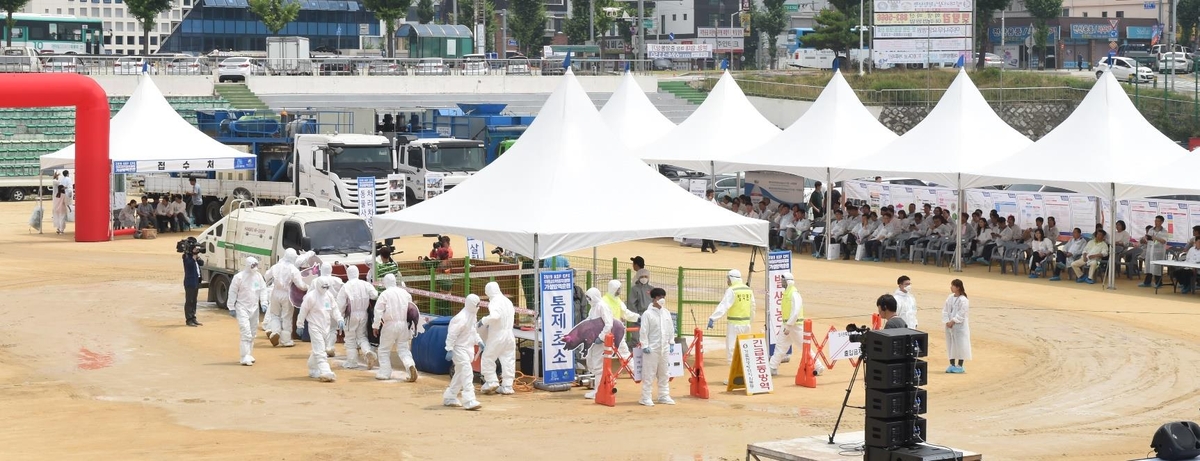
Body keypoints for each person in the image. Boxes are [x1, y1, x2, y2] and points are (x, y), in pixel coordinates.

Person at [767, 272, 816, 376]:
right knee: (780, 346)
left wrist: (789, 325)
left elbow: (796, 310)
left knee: (804, 347)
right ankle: (772, 367)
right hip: (787, 325)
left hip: (795, 326)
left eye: (783, 280)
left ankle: (818, 367)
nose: (781, 282)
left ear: (788, 281)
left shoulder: (794, 293)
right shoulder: (787, 293)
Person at [374, 273, 420, 381]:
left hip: (390, 324)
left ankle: (385, 373)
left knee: (384, 350)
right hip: (404, 324)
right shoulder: (405, 293)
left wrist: (375, 326)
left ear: (385, 282)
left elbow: (378, 311)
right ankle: (410, 365)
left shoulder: (385, 294)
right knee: (403, 349)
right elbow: (411, 308)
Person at [296, 278, 342, 382]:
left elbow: (334, 308)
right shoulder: (311, 297)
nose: (325, 289)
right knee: (320, 351)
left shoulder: (328, 295)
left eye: (327, 287)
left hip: (326, 327)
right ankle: (326, 371)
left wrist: (339, 319)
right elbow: (303, 311)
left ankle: (312, 366)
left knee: (320, 349)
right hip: (314, 326)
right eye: (323, 287)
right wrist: (300, 325)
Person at [707, 269, 755, 367]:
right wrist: (751, 321)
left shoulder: (732, 290)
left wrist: (713, 318)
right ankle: (746, 374)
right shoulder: (748, 289)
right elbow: (753, 306)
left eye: (728, 278)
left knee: (731, 350)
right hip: (746, 325)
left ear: (732, 278)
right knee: (745, 348)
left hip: (734, 324)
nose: (727, 281)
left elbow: (724, 305)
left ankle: (733, 375)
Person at [444, 294, 483, 410]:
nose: (478, 306)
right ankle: (469, 400)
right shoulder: (461, 318)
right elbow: (452, 334)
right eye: (476, 304)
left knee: (460, 374)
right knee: (467, 372)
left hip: (467, 349)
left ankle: (450, 397)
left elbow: (473, 332)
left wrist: (479, 341)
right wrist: (449, 349)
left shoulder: (472, 315)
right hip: (458, 349)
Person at [638, 287, 676, 406]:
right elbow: (644, 331)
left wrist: (671, 342)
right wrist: (645, 345)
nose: (662, 300)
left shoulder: (666, 312)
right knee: (649, 374)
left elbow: (670, 328)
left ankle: (663, 395)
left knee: (664, 373)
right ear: (654, 298)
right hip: (652, 349)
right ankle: (645, 397)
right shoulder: (647, 314)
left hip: (664, 348)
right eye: (659, 297)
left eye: (663, 297)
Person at [477, 282, 517, 395]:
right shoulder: (507, 301)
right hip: (510, 335)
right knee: (508, 359)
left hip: (497, 335)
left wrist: (483, 321)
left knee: (487, 357)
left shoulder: (494, 302)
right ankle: (507, 386)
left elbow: (495, 316)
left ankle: (491, 381)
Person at [264, 248, 308, 347]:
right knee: (286, 317)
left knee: (275, 314)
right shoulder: (293, 269)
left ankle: (275, 331)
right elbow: (300, 285)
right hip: (287, 294)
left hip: (275, 293)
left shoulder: (276, 266)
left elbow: (266, 276)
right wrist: (308, 287)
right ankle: (286, 340)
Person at [337, 265, 378, 369]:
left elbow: (340, 304)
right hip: (364, 314)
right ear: (358, 273)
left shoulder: (345, 286)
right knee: (362, 336)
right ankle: (367, 351)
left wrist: (340, 317)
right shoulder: (365, 284)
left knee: (350, 338)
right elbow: (374, 295)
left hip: (350, 315)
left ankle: (352, 362)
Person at [228, 257, 267, 366]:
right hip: (242, 307)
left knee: (253, 332)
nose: (255, 268)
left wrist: (264, 302)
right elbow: (232, 292)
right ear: (248, 265)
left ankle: (249, 354)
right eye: (252, 265)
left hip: (254, 308)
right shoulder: (239, 277)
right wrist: (231, 306)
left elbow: (263, 289)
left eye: (256, 265)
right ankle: (244, 356)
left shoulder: (258, 276)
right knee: (246, 332)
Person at [582, 287, 612, 400]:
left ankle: (599, 390)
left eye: (589, 297)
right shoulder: (593, 308)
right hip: (593, 340)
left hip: (600, 341)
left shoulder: (602, 306)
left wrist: (601, 337)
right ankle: (598, 389)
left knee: (598, 365)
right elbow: (589, 321)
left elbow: (608, 324)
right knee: (592, 363)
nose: (588, 299)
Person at [942, 279, 971, 374]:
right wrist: (947, 321)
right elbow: (945, 310)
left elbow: (962, 313)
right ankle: (952, 364)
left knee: (960, 345)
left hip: (959, 327)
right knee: (950, 344)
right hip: (949, 326)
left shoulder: (964, 300)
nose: (951, 287)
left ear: (958, 287)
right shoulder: (950, 297)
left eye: (952, 286)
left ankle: (960, 365)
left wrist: (953, 321)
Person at [1139, 216, 1169, 288]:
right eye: (1155, 221)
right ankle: (1147, 282)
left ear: (1161, 222)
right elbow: (1148, 239)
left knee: (1157, 268)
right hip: (1150, 250)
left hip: (1158, 252)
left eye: (1158, 221)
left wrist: (1156, 238)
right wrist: (1145, 238)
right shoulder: (1151, 230)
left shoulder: (1164, 231)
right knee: (1149, 266)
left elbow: (1164, 241)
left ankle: (1159, 283)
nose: (1156, 222)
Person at [182, 243, 204, 327]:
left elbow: (202, 263)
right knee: (189, 301)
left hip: (196, 281)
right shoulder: (186, 256)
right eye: (195, 249)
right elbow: (189, 265)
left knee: (194, 301)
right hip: (189, 282)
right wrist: (194, 256)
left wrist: (197, 256)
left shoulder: (195, 257)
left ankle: (193, 318)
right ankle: (189, 319)